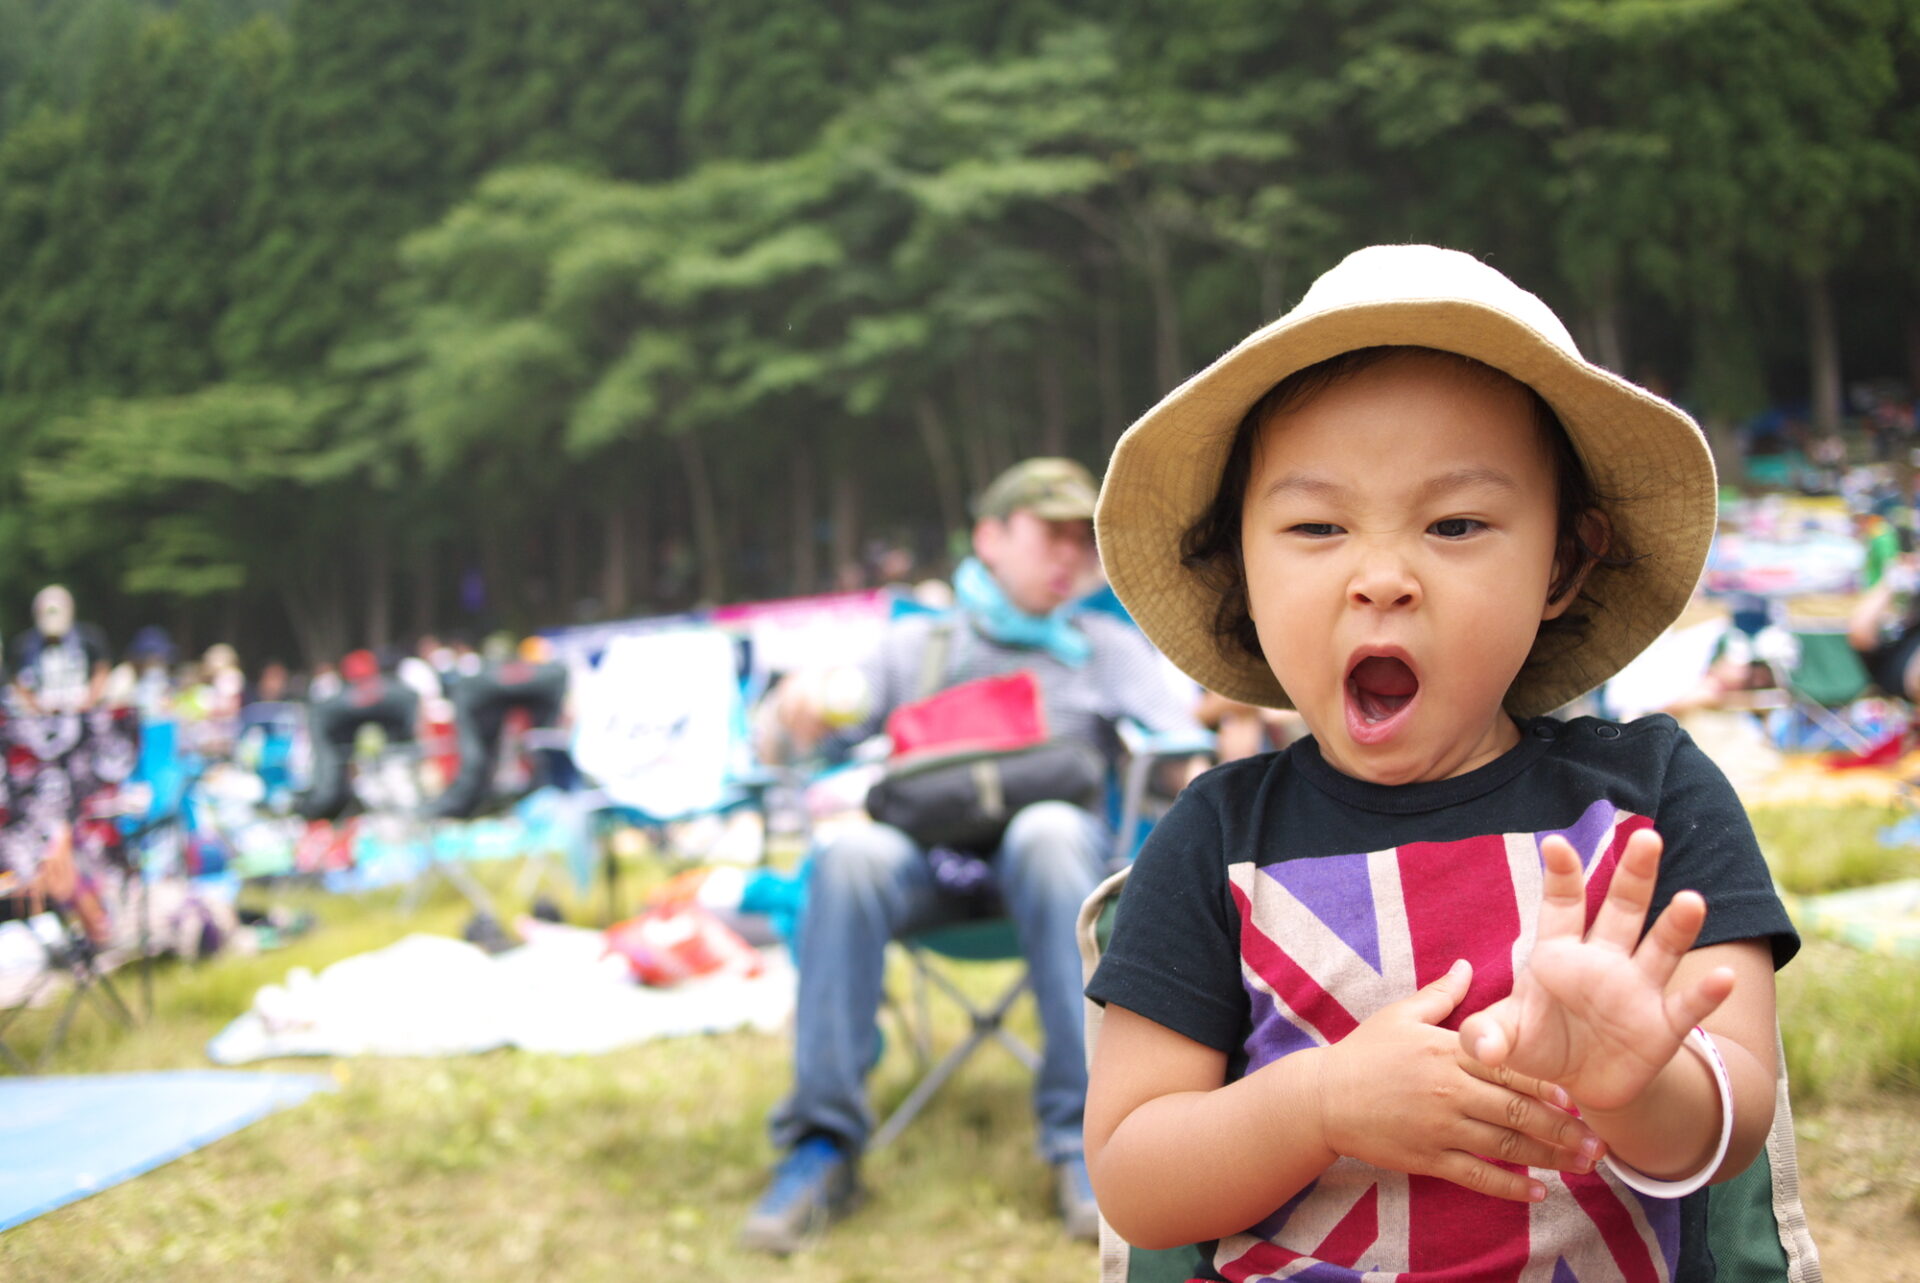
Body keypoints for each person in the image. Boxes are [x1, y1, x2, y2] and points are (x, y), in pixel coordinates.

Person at [1085, 245, 1799, 1279]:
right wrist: (1322, 1103)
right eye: (1317, 524)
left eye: (1456, 522)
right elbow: (1135, 1176)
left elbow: (1730, 1122)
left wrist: (1633, 1082)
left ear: (1564, 558)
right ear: (1241, 562)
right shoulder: (1214, 841)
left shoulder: (1651, 801)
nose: (1383, 577)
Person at [741, 458, 1207, 1253]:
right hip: (924, 875)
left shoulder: (1103, 646)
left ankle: (1088, 1141)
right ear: (989, 537)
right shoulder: (914, 644)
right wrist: (794, 713)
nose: (1070, 554)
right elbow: (775, 743)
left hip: (1058, 883)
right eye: (1048, 532)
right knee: (849, 850)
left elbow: (1182, 757)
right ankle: (822, 1146)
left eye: (1081, 539)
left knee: (1049, 829)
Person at [9, 585, 110, 714]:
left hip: (82, 711)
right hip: (39, 715)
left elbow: (101, 669)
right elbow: (17, 680)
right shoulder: (24, 645)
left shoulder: (88, 638)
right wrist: (35, 706)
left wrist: (88, 702)